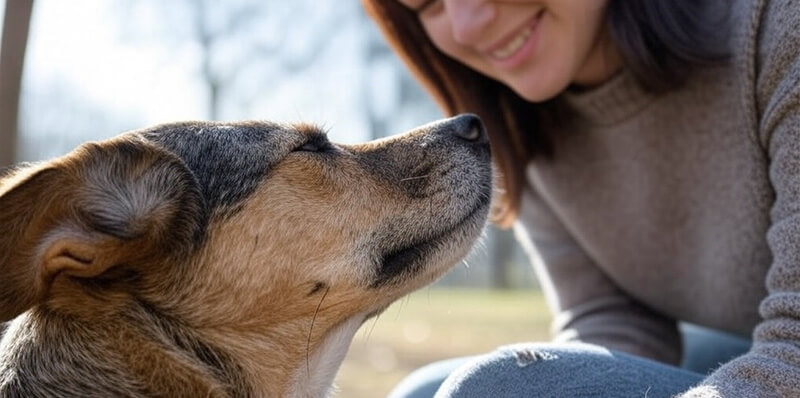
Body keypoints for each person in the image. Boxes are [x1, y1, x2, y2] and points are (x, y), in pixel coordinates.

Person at [361, 0, 800, 397]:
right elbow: (612, 319)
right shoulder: (521, 121)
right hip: (755, 350)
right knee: (427, 393)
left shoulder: (777, 26)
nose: (468, 24)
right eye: (428, 4)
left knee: (495, 389)